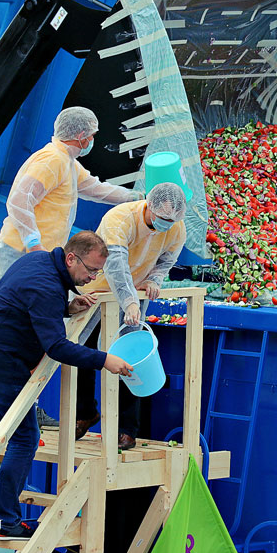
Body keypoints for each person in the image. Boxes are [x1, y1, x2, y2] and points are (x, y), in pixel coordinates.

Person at [0, 231, 132, 540]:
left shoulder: (39, 261)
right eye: (90, 270)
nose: (92, 277)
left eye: (98, 272)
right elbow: (57, 346)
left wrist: (66, 308)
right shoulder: (48, 285)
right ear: (71, 258)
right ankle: (5, 522)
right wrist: (104, 360)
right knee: (24, 438)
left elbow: (25, 301)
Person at [74, 183, 188, 450]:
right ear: (149, 206)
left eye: (171, 221)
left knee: (128, 358)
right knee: (82, 352)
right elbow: (115, 266)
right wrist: (129, 301)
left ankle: (126, 429)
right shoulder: (120, 219)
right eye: (162, 219)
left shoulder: (175, 228)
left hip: (134, 295)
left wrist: (155, 279)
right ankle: (84, 413)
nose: (166, 225)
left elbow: (166, 260)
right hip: (95, 291)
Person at [0, 107, 139, 290]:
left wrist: (136, 197)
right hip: (23, 250)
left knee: (27, 307)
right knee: (7, 307)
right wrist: (33, 243)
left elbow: (96, 189)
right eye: (92, 135)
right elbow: (19, 200)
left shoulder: (67, 162)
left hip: (40, 253)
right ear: (82, 135)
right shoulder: (52, 160)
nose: (92, 140)